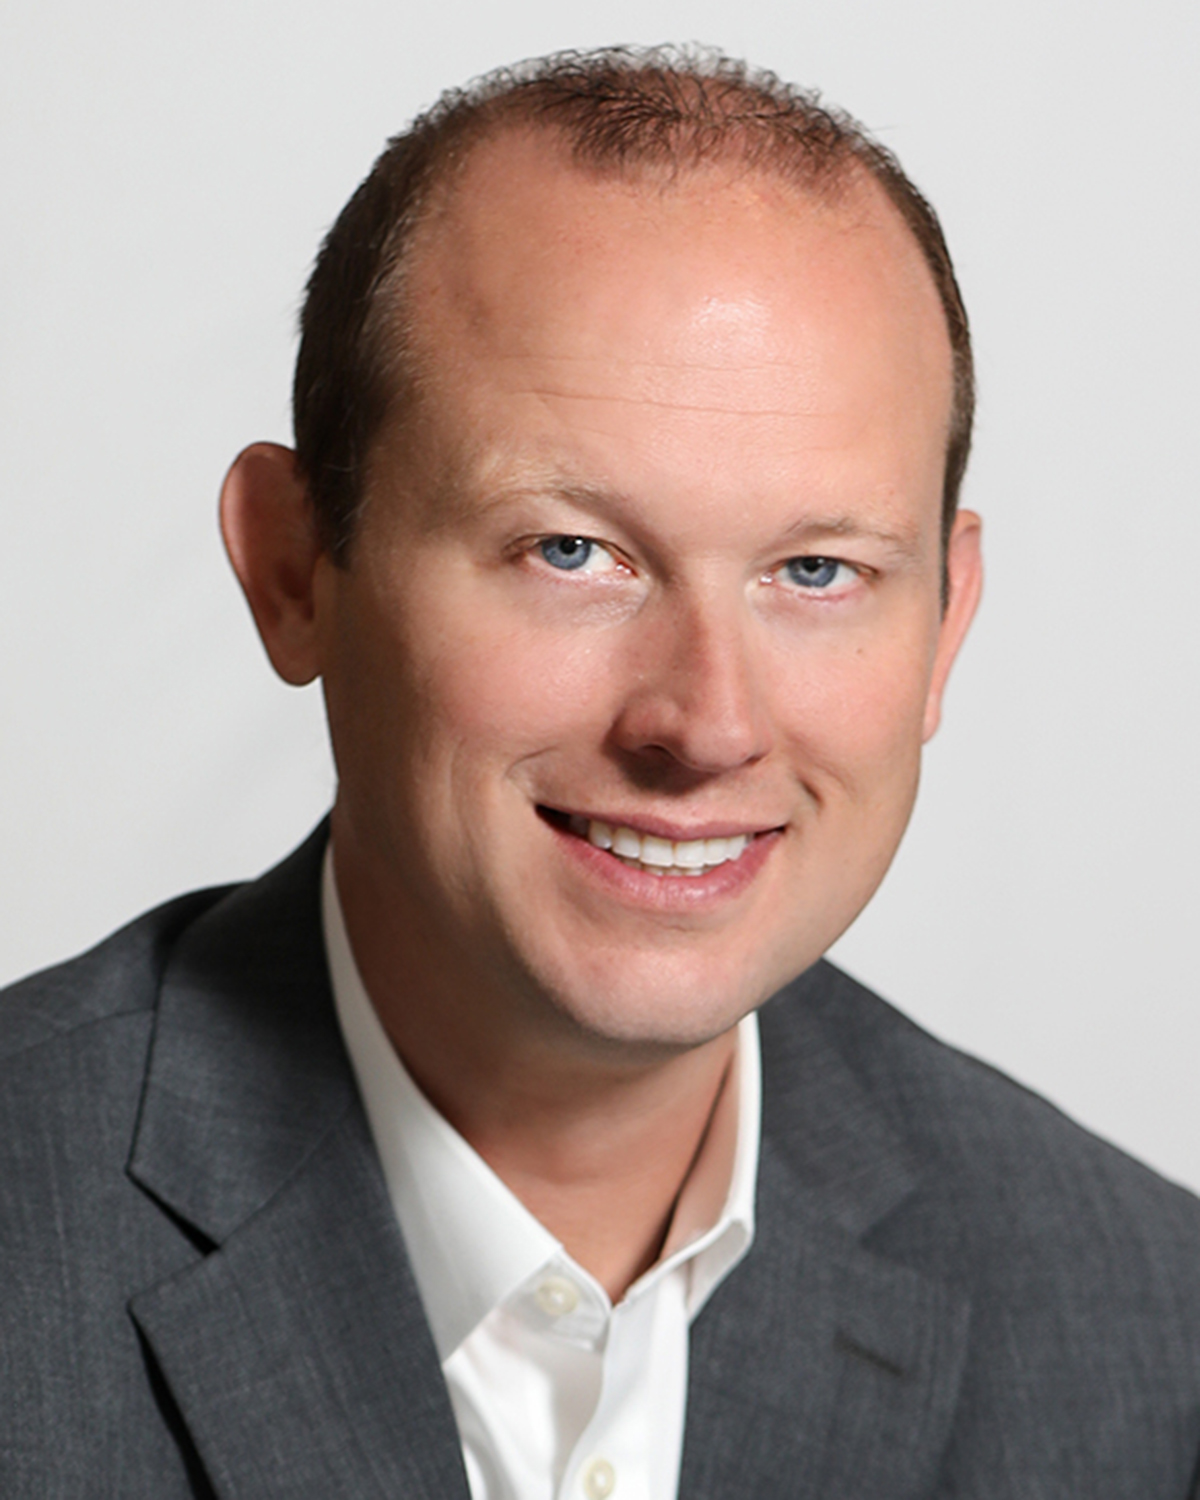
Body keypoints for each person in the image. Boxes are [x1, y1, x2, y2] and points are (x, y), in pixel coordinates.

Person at [2, 45, 1198, 1499]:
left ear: (946, 628)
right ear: (294, 569)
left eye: (816, 570)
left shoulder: (1144, 1336)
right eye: (572, 551)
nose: (708, 723)